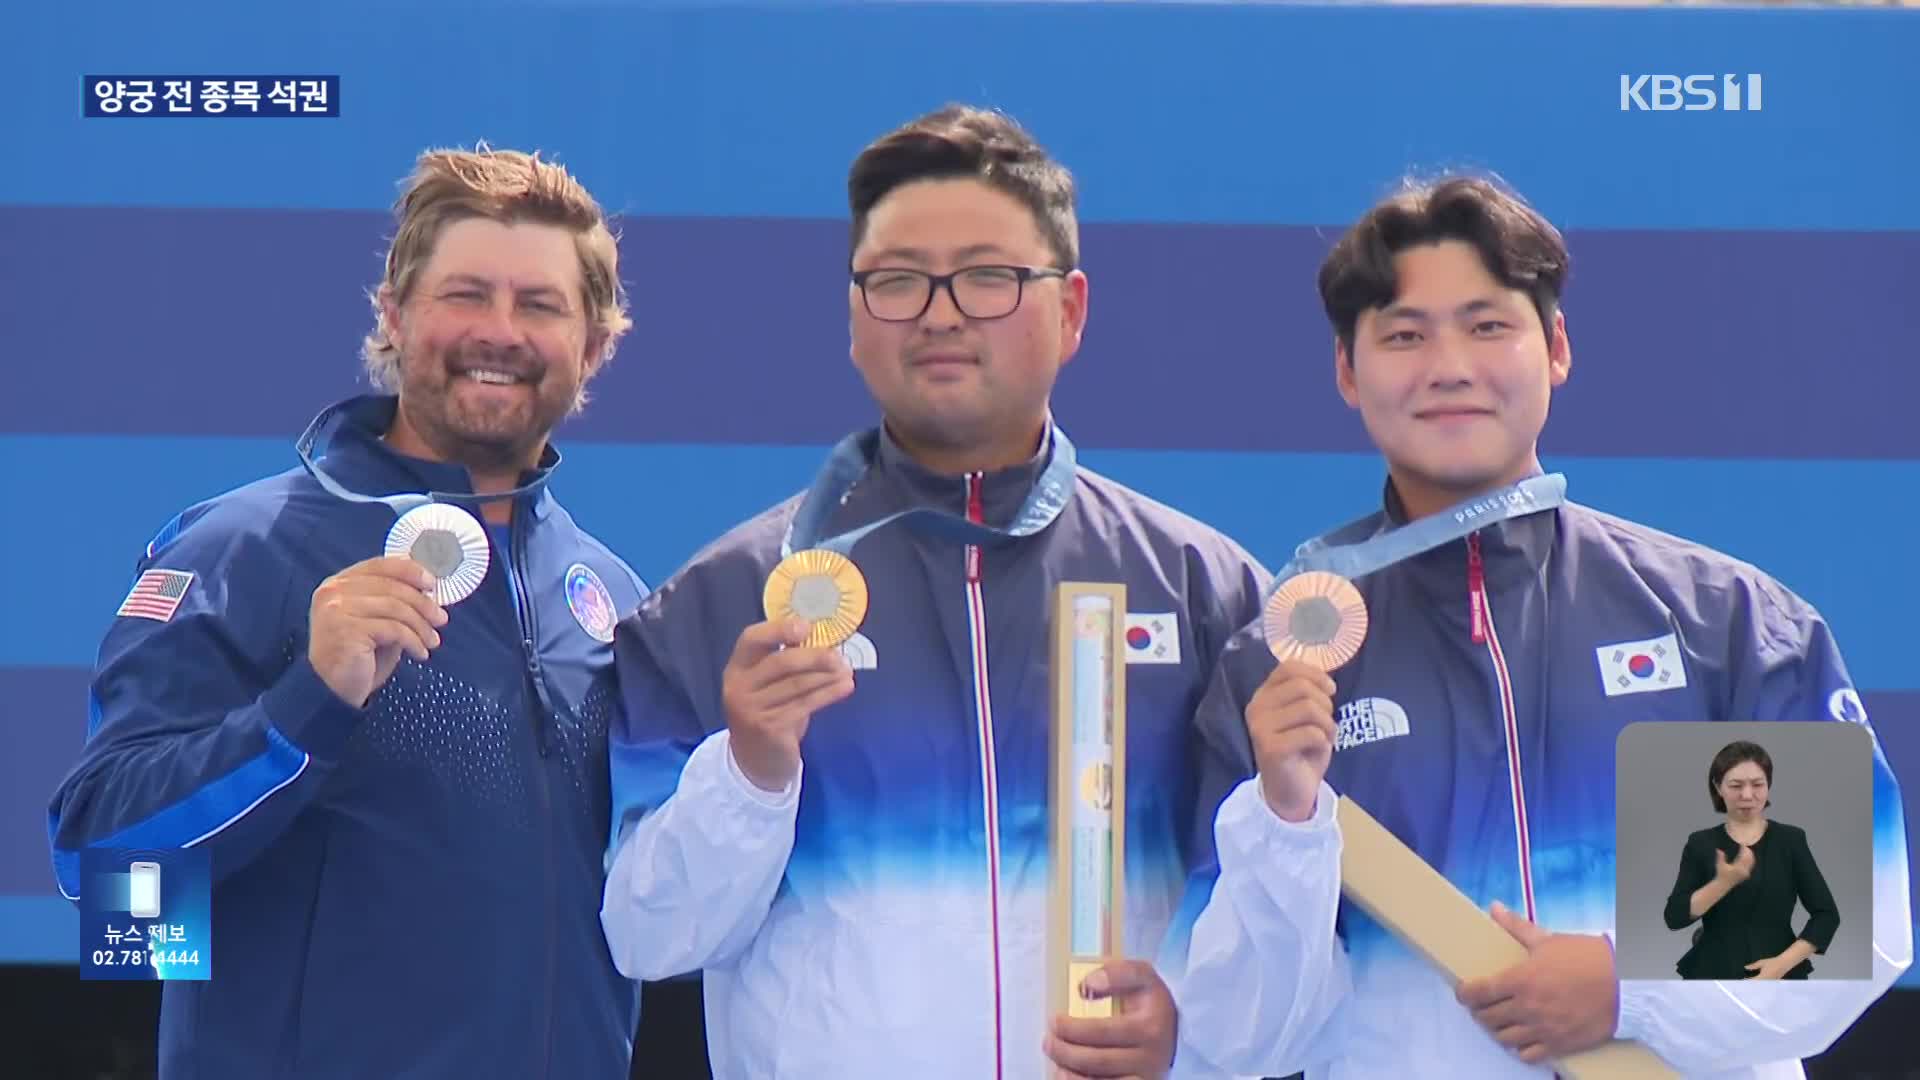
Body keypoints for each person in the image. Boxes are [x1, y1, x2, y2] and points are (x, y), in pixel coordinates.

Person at [1163, 174, 1912, 1078]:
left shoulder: (1723, 625)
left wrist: (1628, 987)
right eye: (1404, 335)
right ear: (1346, 372)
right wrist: (1282, 818)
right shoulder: (1280, 667)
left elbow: (1845, 930)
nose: (1449, 367)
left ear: (1555, 346)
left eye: (1488, 326)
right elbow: (1236, 1036)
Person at [597, 105, 1269, 1079]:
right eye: (900, 281)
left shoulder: (1207, 593)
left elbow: (1271, 926)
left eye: (990, 277)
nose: (942, 313)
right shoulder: (730, 597)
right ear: (854, 315)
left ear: (1071, 310)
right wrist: (747, 771)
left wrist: (1194, 1017)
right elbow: (647, 941)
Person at [47, 146, 648, 1078]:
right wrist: (305, 707)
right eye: (465, 295)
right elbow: (104, 885)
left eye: (540, 305)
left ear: (594, 346)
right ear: (394, 315)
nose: (500, 331)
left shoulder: (610, 596)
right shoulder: (243, 551)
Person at [1663, 740, 1841, 980]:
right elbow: (1674, 916)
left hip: (1783, 976)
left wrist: (1781, 965)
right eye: (1735, 785)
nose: (1747, 795)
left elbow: (1827, 915)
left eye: (1758, 784)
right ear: (1718, 787)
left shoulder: (1791, 840)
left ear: (1769, 785)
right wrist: (1723, 883)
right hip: (1711, 974)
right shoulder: (1700, 843)